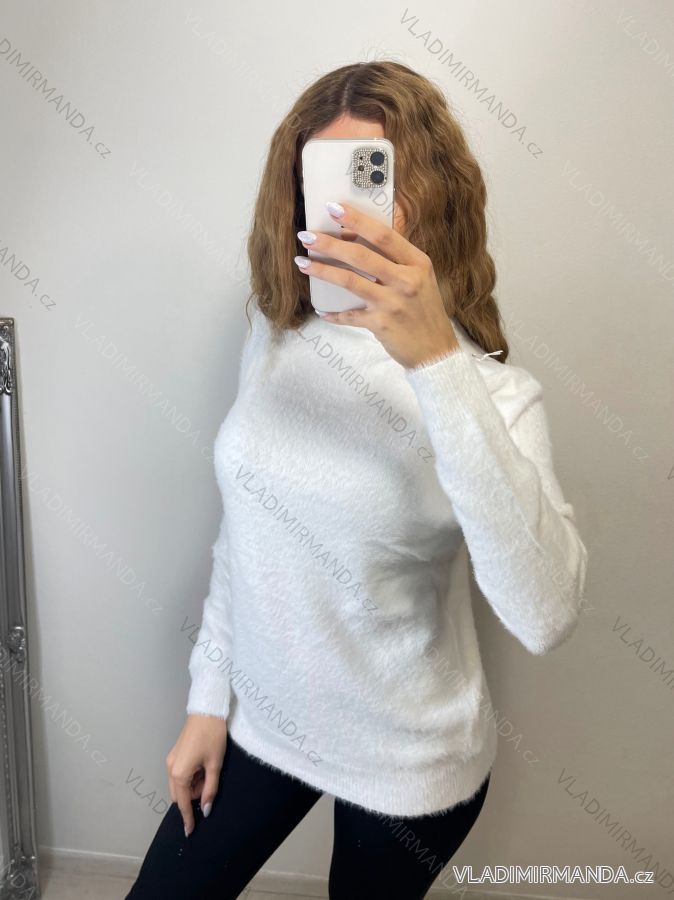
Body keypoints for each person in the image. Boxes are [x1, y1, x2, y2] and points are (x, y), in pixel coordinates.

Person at [125, 60, 588, 899]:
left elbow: (546, 613)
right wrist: (207, 700)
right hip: (262, 721)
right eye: (323, 183)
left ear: (430, 197)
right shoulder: (276, 339)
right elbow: (242, 536)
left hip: (408, 760)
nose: (346, 212)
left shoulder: (492, 394)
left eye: (373, 181)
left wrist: (436, 363)